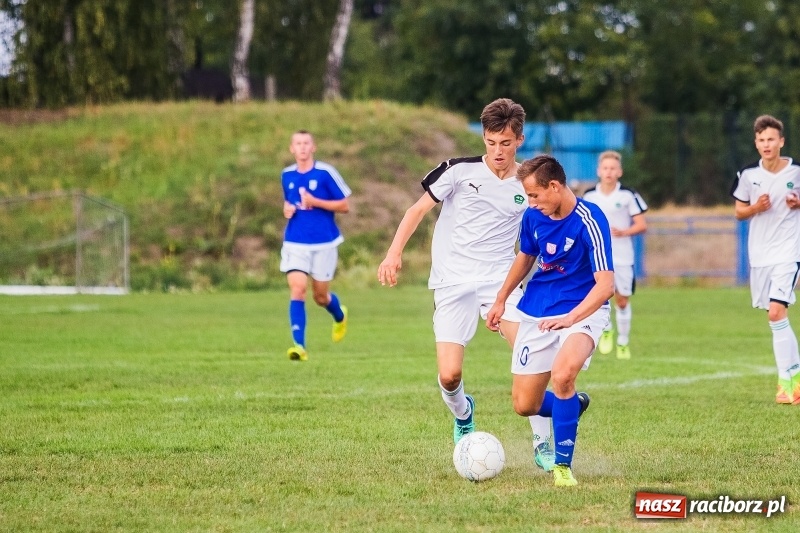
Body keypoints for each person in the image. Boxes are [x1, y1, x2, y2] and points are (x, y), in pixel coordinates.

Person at [377, 98, 562, 455]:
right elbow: (417, 210)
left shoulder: (527, 183)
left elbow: (543, 231)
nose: (497, 151)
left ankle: (542, 443)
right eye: (491, 142)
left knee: (532, 355)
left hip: (500, 283)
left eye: (506, 144)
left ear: (519, 141)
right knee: (449, 376)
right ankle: (464, 414)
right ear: (484, 138)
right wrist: (394, 252)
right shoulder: (457, 171)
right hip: (452, 282)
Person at [486, 154, 614, 487]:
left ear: (554, 186)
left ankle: (562, 466)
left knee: (563, 374)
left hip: (582, 311)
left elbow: (605, 285)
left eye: (534, 195)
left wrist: (571, 318)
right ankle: (571, 405)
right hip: (537, 311)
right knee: (524, 404)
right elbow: (525, 257)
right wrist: (501, 300)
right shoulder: (533, 217)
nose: (530, 203)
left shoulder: (590, 219)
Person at [731, 114, 800, 404]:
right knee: (773, 317)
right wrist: (756, 207)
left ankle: (790, 382)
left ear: (781, 141)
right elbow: (739, 211)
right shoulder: (748, 174)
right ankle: (792, 377)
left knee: (776, 312)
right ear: (756, 143)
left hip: (789, 252)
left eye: (771, 139)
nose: (766, 144)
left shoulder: (797, 171)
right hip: (760, 255)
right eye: (761, 140)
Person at [280, 130, 350, 361]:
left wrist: (316, 202)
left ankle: (339, 315)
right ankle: (299, 346)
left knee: (320, 297)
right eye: (297, 143)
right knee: (298, 289)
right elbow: (289, 202)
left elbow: (344, 205)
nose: (302, 147)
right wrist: (287, 209)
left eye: (306, 143)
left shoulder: (325, 173)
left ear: (313, 147)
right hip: (295, 242)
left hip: (324, 242)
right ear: (292, 148)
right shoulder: (287, 175)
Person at [583, 150, 648, 359]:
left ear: (619, 172)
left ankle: (623, 342)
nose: (608, 172)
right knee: (600, 296)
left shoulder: (628, 195)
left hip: (623, 256)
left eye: (612, 168)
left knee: (621, 300)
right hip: (597, 257)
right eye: (605, 168)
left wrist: (624, 232)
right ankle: (607, 329)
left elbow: (641, 225)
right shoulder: (589, 195)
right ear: (599, 171)